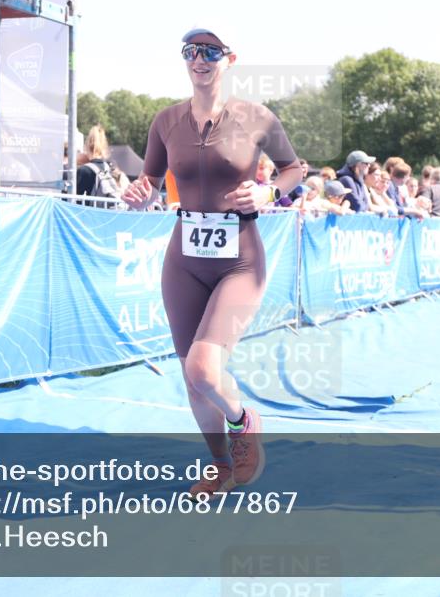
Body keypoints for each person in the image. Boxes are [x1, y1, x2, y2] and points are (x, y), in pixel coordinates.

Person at [120, 26, 303, 499]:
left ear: (229, 59)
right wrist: (140, 196)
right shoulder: (165, 121)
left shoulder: (258, 117)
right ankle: (221, 466)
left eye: (210, 51)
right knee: (193, 378)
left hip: (239, 260)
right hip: (184, 259)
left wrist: (267, 191)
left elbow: (294, 170)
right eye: (190, 51)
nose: (199, 58)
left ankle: (245, 423)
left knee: (204, 368)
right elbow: (152, 183)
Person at [76, 124, 125, 200]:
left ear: (87, 145)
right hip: (110, 210)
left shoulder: (84, 170)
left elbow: (74, 199)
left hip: (91, 211)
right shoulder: (111, 168)